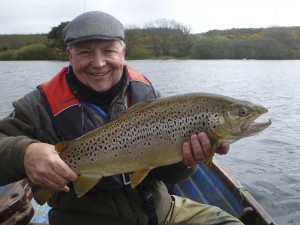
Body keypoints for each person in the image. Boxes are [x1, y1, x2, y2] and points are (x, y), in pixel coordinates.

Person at [0, 11, 244, 225]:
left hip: (163, 213)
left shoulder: (149, 97)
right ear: (69, 54)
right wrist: (25, 153)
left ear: (123, 52)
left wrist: (188, 162)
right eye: (85, 53)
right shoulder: (37, 107)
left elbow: (167, 175)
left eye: (108, 51)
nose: (98, 63)